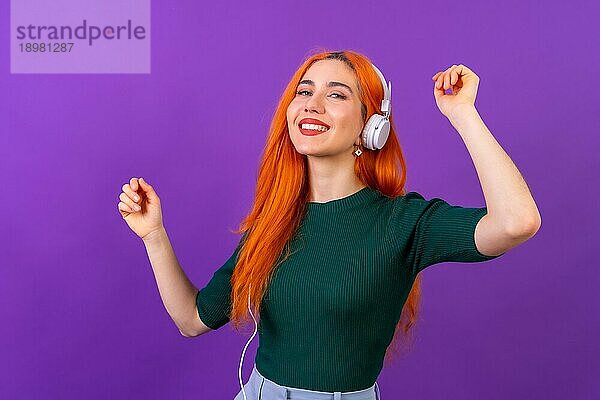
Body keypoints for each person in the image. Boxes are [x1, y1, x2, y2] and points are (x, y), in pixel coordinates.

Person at [117, 49, 541, 399]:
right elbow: (192, 320)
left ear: (371, 126)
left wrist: (462, 114)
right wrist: (154, 236)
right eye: (304, 91)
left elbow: (516, 221)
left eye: (336, 95)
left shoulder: (404, 221)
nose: (311, 104)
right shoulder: (273, 221)